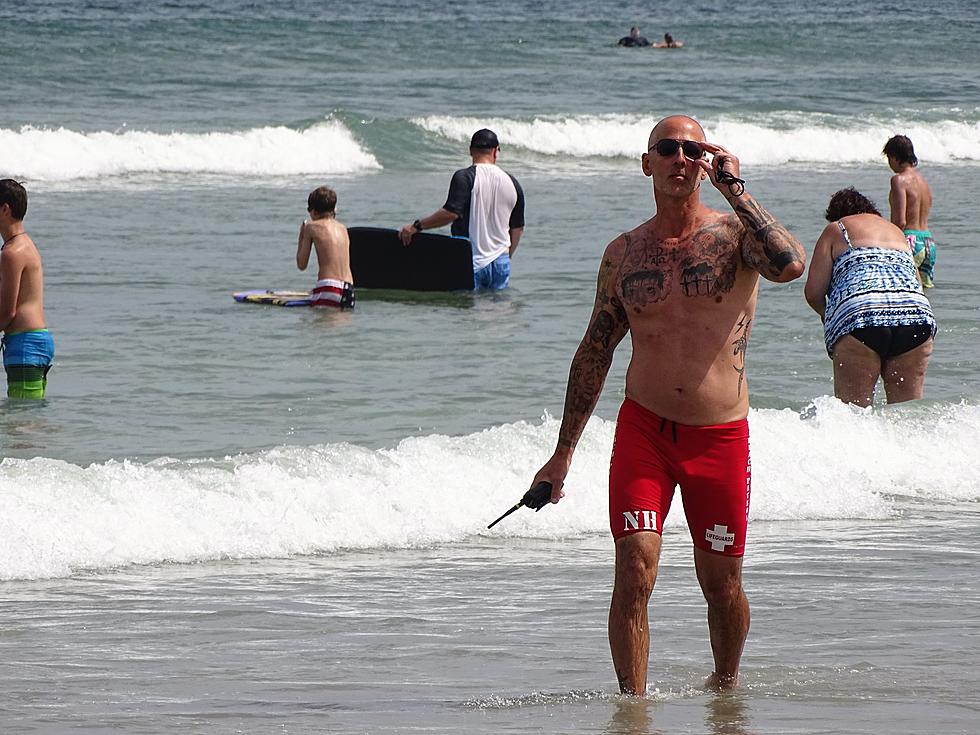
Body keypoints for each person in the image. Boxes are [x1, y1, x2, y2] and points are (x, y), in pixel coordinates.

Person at [529, 116, 806, 694]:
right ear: (646, 162)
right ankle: (633, 710)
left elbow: (790, 265)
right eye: (668, 148)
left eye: (692, 149)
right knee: (633, 568)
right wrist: (562, 454)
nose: (680, 158)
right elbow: (593, 352)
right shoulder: (624, 253)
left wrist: (737, 188)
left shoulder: (736, 236)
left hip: (719, 436)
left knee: (721, 582)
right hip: (645, 433)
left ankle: (725, 692)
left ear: (705, 160)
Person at [804, 187, 935, 407]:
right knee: (907, 413)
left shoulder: (837, 228)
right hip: (916, 316)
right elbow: (917, 284)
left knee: (854, 413)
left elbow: (814, 292)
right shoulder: (896, 232)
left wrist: (827, 315)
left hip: (862, 316)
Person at [399, 129, 524, 290]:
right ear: (495, 151)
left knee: (467, 311)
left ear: (470, 150)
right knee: (498, 311)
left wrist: (416, 226)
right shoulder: (513, 183)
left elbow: (450, 213)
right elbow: (518, 228)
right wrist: (506, 256)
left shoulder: (464, 177)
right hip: (501, 262)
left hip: (471, 260)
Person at [0, 179, 54, 399]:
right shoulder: (25, 245)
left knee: (21, 423)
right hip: (35, 341)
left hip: (25, 344)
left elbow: (8, 311)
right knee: (29, 417)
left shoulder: (12, 253)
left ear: (5, 209)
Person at [883, 135, 935, 288]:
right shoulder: (924, 182)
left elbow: (900, 221)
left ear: (894, 157)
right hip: (928, 243)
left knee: (901, 291)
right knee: (923, 295)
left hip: (910, 241)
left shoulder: (898, 180)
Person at [296, 185, 354, 309]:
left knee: (318, 326)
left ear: (314, 212)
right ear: (334, 209)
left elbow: (301, 264)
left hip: (329, 287)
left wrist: (302, 235)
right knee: (340, 327)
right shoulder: (343, 228)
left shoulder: (311, 227)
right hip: (348, 288)